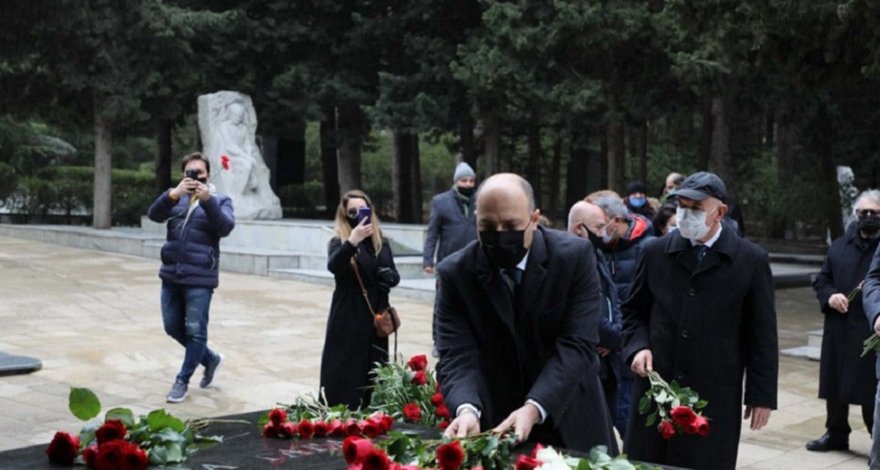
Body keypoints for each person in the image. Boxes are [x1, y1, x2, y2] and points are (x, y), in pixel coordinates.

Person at [436, 173, 614, 453]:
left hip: (571, 416)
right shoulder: (456, 273)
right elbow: (455, 353)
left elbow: (577, 343)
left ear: (534, 218)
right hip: (497, 423)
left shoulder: (574, 257)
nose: (499, 235)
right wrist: (467, 409)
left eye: (511, 226)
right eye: (487, 227)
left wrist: (534, 408)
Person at [622, 171, 778, 470]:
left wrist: (761, 396)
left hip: (714, 392)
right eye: (681, 206)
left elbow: (762, 334)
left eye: (695, 208)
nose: (685, 214)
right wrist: (637, 346)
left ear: (720, 212)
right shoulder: (655, 252)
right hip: (656, 389)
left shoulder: (750, 260)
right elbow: (632, 311)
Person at [147, 152, 235, 403]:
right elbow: (154, 214)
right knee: (172, 326)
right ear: (183, 175)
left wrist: (207, 200)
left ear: (209, 175)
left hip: (200, 277)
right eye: (190, 173)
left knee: (195, 331)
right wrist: (173, 194)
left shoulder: (220, 200)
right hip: (171, 274)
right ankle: (210, 359)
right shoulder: (177, 198)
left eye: (200, 173)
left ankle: (182, 380)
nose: (195, 177)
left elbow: (225, 227)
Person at [807, 190, 880, 452]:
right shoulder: (839, 246)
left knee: (871, 388)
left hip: (870, 328)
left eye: (874, 213)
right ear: (855, 215)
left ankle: (877, 438)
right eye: (863, 212)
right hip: (840, 326)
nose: (868, 217)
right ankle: (836, 432)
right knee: (835, 384)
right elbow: (822, 279)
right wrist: (831, 296)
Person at [320, 190, 400, 410]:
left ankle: (372, 415)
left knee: (374, 372)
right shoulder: (339, 242)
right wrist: (352, 242)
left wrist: (389, 278)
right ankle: (342, 415)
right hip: (348, 317)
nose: (358, 215)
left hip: (376, 317)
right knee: (346, 373)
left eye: (362, 210)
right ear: (345, 215)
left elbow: (394, 274)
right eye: (352, 212)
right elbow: (334, 266)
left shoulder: (380, 242)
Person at [592, 194, 655, 436]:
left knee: (630, 424)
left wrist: (620, 339)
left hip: (631, 350)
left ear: (616, 220)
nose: (598, 231)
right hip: (605, 353)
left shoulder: (648, 248)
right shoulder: (597, 248)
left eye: (601, 224)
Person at [568, 201, 623, 434]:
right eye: (599, 227)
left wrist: (616, 333)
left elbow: (613, 296)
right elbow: (585, 311)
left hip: (608, 362)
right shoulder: (568, 260)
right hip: (586, 363)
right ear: (580, 228)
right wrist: (611, 336)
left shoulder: (597, 255)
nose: (603, 233)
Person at [423, 162, 478, 274]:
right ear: (456, 182)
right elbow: (432, 234)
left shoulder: (480, 201)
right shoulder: (440, 202)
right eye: (464, 181)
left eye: (471, 181)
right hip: (448, 260)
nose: (468, 184)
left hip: (474, 261)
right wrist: (428, 260)